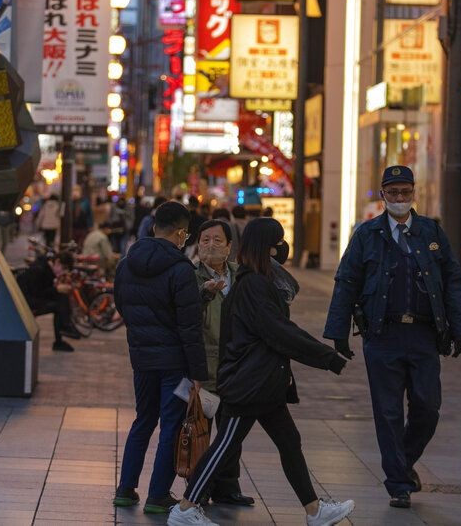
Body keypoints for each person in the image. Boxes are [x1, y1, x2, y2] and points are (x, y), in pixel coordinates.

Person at [169, 218, 354, 526]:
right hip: (250, 384)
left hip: (264, 382)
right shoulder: (254, 284)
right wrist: (327, 357)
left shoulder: (255, 280)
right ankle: (185, 509)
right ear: (265, 245)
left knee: (289, 441)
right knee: (224, 446)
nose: (281, 247)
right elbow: (279, 331)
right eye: (277, 242)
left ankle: (314, 511)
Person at [324, 165, 461, 509]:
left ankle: (403, 465)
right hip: (383, 335)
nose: (399, 198)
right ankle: (398, 484)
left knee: (428, 406)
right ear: (382, 196)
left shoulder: (430, 231)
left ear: (414, 193)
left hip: (424, 335)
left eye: (405, 192)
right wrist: (338, 332)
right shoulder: (367, 234)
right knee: (388, 411)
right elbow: (346, 280)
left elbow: (452, 278)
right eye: (393, 193)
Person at [113, 202, 208, 514]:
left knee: (143, 420)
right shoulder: (181, 269)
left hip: (141, 358)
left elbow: (123, 306)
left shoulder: (126, 264)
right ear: (181, 232)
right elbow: (190, 327)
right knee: (171, 425)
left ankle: (126, 490)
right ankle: (157, 495)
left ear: (154, 227)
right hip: (174, 363)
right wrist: (199, 373)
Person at [192, 219, 253, 507]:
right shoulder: (189, 276)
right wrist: (204, 294)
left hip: (235, 366)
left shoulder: (241, 276)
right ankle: (198, 487)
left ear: (230, 247)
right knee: (199, 431)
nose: (211, 246)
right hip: (202, 367)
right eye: (205, 240)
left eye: (218, 240)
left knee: (231, 432)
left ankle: (228, 487)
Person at [16, 250, 77, 353]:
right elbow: (37, 292)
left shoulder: (47, 268)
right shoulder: (39, 269)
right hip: (28, 302)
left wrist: (57, 290)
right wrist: (56, 289)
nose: (63, 272)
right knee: (58, 305)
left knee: (62, 298)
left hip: (35, 297)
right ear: (57, 262)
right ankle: (65, 328)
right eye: (64, 268)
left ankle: (64, 328)